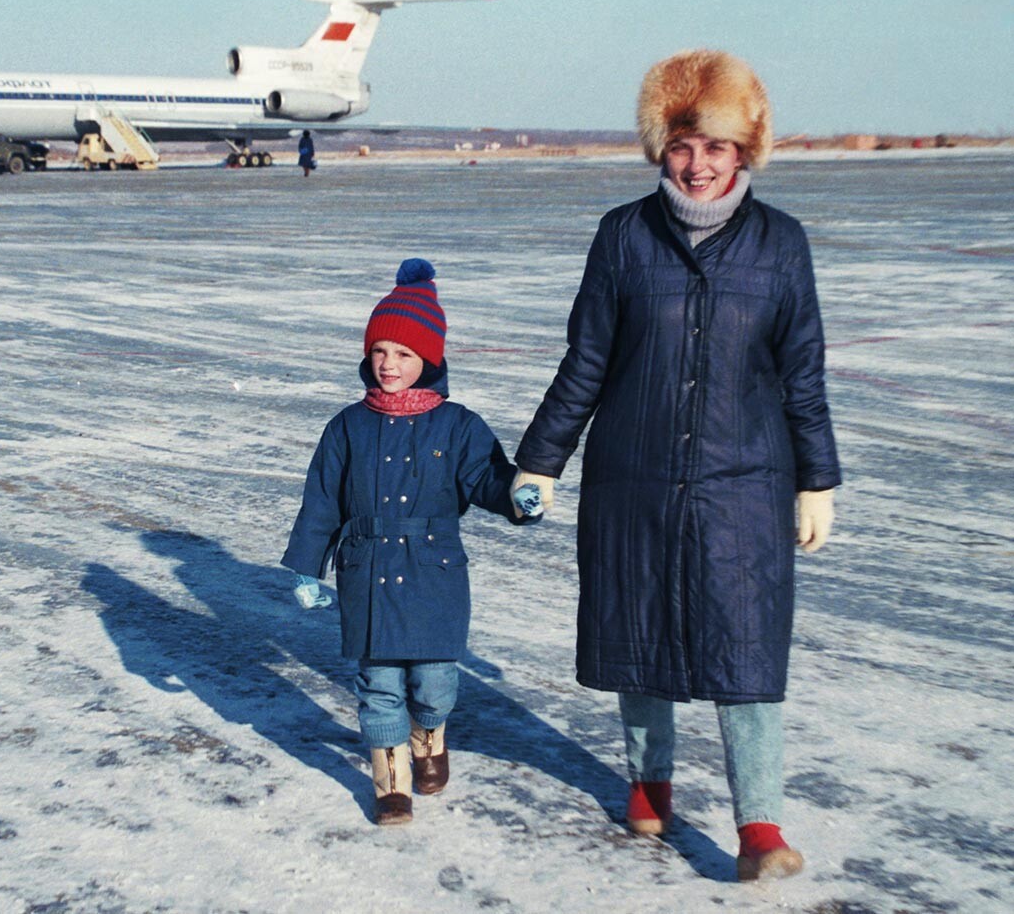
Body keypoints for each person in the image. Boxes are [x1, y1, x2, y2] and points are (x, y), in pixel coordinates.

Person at [512, 50, 840, 881]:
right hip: (636, 473)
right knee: (641, 633)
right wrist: (542, 460)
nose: (698, 166)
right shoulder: (624, 236)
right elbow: (586, 360)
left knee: (749, 650)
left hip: (746, 483)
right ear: (662, 147)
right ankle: (648, 784)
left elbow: (802, 371)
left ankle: (759, 825)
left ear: (745, 152)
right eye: (683, 146)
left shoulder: (781, 245)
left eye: (717, 148)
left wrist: (817, 478)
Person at [283, 258, 538, 825]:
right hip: (367, 566)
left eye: (403, 353)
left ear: (429, 359)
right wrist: (307, 569)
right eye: (379, 352)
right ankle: (391, 785)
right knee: (378, 685)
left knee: (434, 682)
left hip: (433, 570)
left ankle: (430, 738)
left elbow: (486, 478)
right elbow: (322, 499)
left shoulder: (459, 425)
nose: (389, 365)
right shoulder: (347, 426)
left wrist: (518, 496)